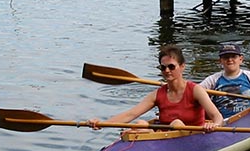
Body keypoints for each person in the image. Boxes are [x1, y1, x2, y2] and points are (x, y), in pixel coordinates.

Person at [88, 44, 223, 131]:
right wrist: (102, 124)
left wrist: (214, 125)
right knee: (140, 124)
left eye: (171, 66)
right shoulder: (157, 95)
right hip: (164, 140)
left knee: (176, 123)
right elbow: (131, 114)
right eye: (163, 67)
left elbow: (217, 116)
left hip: (192, 137)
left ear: (182, 67)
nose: (167, 71)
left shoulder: (195, 90)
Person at [199, 43, 250, 119]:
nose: (230, 60)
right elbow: (195, 91)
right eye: (226, 57)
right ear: (220, 61)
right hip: (224, 120)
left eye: (233, 57)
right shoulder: (212, 79)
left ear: (241, 59)